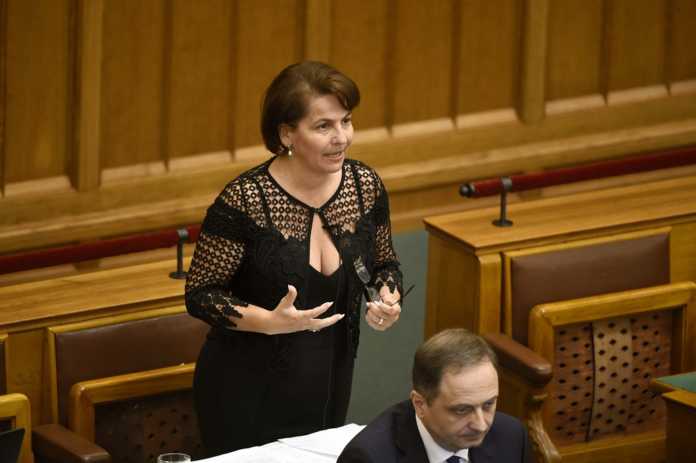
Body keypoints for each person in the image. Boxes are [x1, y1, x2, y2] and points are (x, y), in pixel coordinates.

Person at [184, 61, 403, 456]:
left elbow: (385, 264)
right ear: (287, 133)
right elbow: (201, 294)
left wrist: (387, 298)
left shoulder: (364, 186)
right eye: (323, 126)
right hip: (244, 390)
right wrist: (268, 322)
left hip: (329, 383)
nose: (341, 138)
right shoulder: (246, 201)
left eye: (346, 121)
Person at [337, 328, 530, 463]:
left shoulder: (511, 437)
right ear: (420, 404)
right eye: (462, 410)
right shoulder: (369, 457)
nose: (481, 425)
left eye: (488, 404)